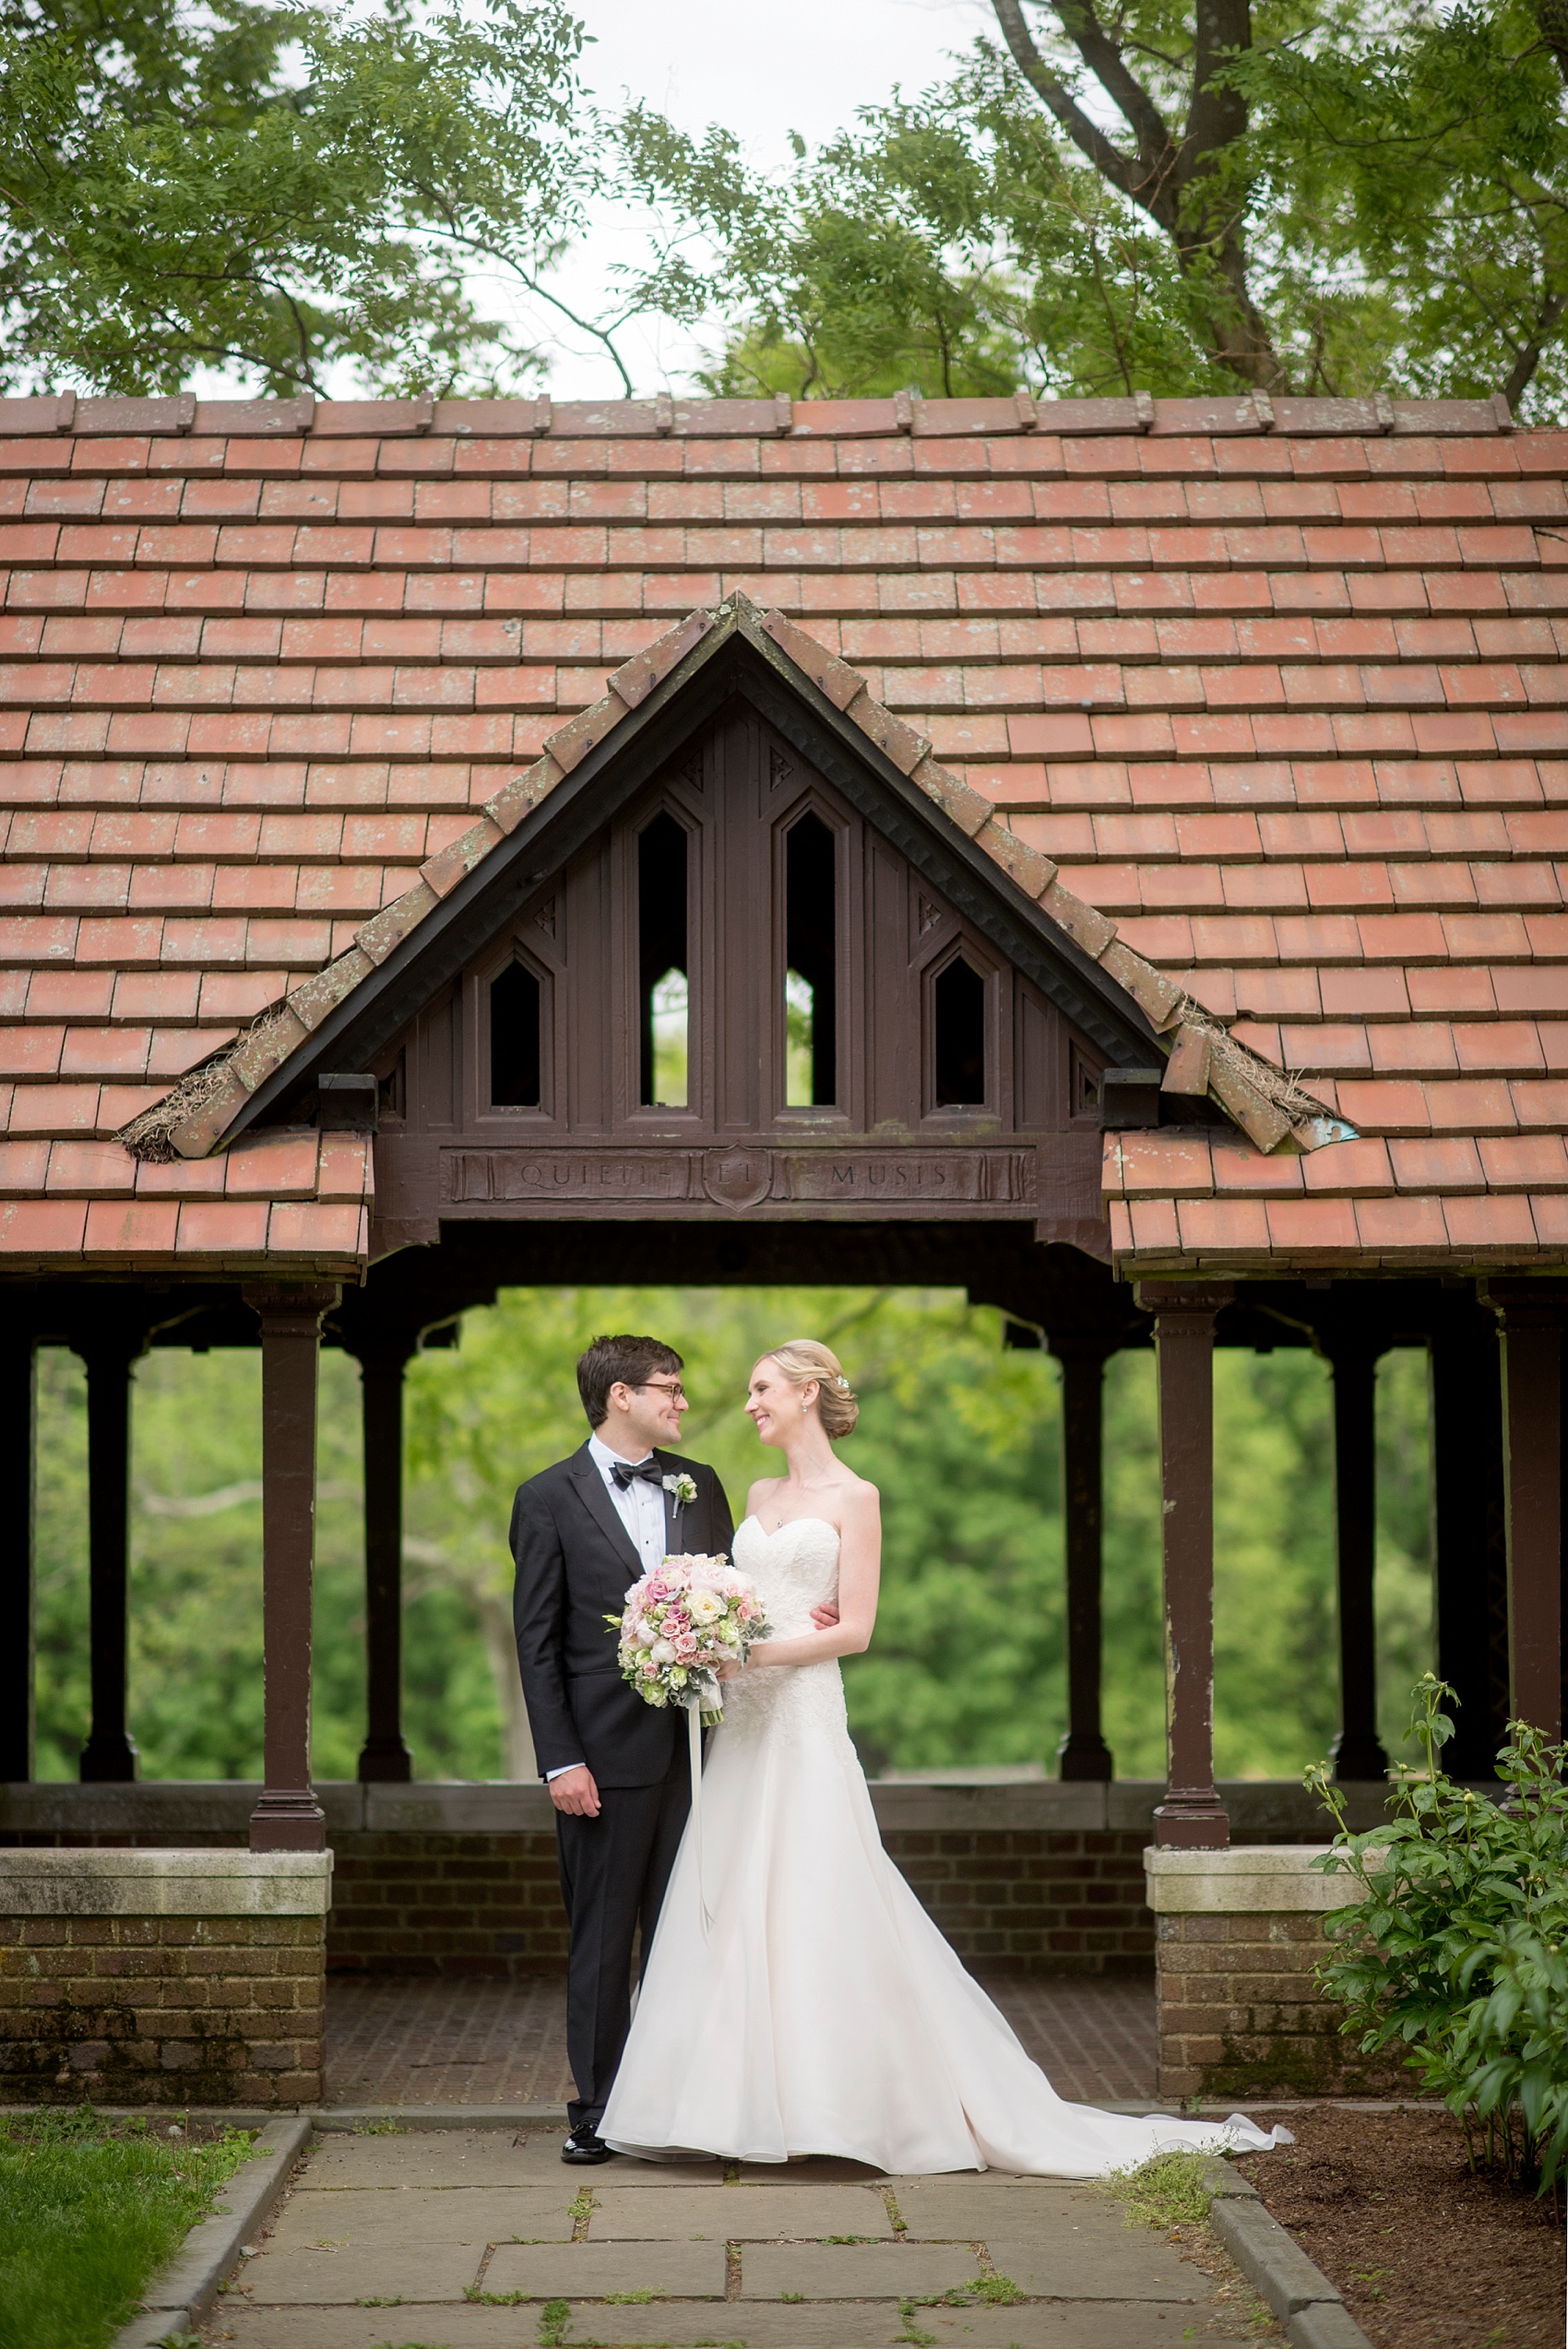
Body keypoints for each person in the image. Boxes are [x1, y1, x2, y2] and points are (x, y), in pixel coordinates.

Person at [600, 1338, 1289, 2177]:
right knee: (729, 1893)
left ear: (808, 1395)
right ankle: (722, 2106)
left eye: (762, 1388)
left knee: (817, 1890)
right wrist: (701, 1633)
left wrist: (749, 1654)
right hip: (742, 1723)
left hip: (800, 1716)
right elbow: (742, 1596)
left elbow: (855, 1628)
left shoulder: (858, 1498)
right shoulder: (753, 1493)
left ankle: (841, 2106)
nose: (749, 1403)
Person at [509, 1335, 735, 2165]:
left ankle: (687, 2100)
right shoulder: (545, 1498)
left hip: (703, 1754)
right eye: (668, 1389)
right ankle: (596, 2110)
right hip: (599, 1761)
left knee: (692, 1932)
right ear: (620, 1397)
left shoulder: (699, 1482)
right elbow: (536, 1641)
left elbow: (733, 1592)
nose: (680, 1402)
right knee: (604, 1938)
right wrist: (560, 1760)